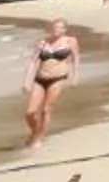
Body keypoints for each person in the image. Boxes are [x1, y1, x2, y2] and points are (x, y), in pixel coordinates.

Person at [23, 18, 80, 148]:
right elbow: (33, 61)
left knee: (46, 109)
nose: (56, 30)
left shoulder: (70, 41)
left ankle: (40, 138)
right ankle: (35, 132)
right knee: (30, 113)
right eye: (54, 27)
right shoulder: (43, 42)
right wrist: (26, 81)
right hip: (40, 79)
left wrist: (75, 76)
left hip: (58, 78)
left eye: (59, 27)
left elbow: (76, 58)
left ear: (65, 29)